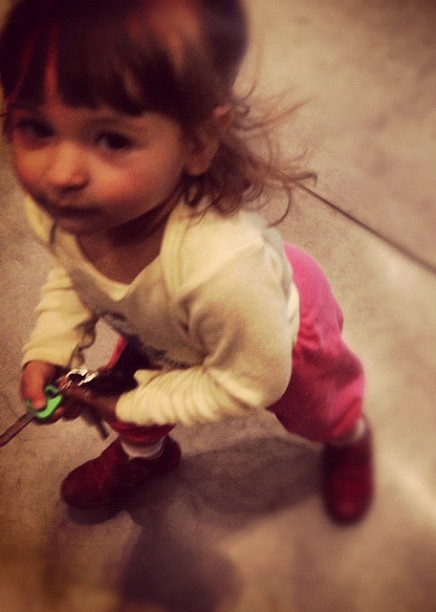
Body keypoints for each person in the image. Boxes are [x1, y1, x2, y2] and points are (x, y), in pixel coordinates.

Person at [0, 0, 373, 524]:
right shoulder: (64, 212)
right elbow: (75, 271)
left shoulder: (223, 270)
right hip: (158, 328)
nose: (60, 175)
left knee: (320, 408)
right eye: (36, 127)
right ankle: (144, 457)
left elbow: (253, 382)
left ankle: (350, 438)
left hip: (276, 335)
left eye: (111, 138)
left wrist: (129, 402)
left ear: (198, 141)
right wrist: (51, 347)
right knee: (130, 396)